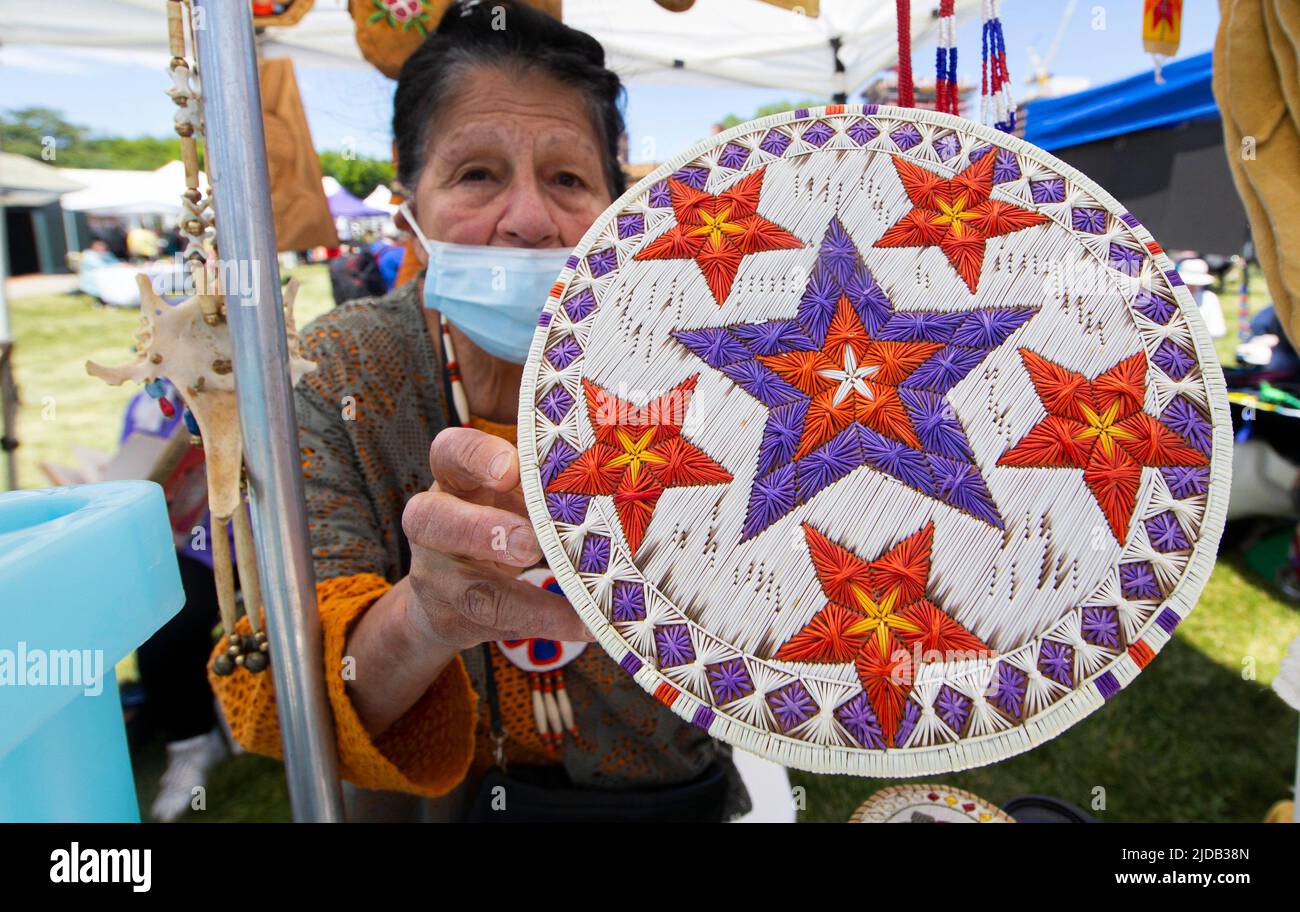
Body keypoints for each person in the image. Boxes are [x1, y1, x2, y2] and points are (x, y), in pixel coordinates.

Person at [210, 0, 748, 822]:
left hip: (666, 791)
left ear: (616, 203)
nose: (529, 221)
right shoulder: (337, 373)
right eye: (476, 174)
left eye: (568, 179)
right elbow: (281, 697)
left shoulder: (698, 358)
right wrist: (422, 619)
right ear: (407, 202)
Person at [1177, 257, 1226, 339]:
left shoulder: (1209, 298)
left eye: (1195, 285)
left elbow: (1218, 330)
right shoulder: (1171, 299)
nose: (1191, 287)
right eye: (1187, 284)